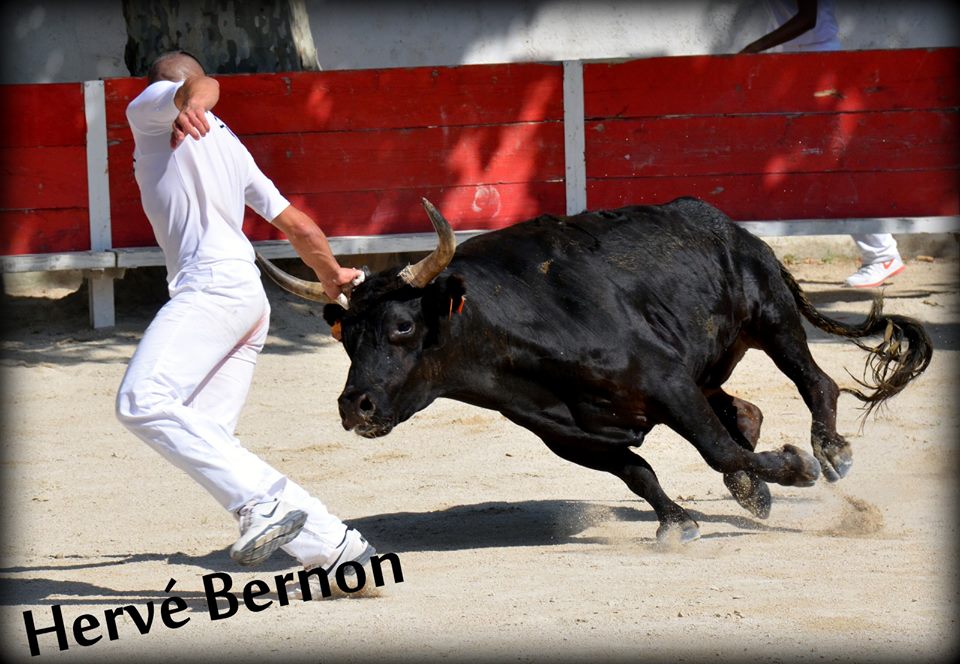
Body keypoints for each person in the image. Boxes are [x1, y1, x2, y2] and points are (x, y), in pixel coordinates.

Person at [115, 50, 375, 580]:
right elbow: (299, 227)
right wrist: (330, 276)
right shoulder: (231, 144)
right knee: (210, 437)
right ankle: (335, 548)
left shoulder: (149, 112)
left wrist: (188, 99)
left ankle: (265, 508)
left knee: (142, 401)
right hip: (249, 302)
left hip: (209, 287)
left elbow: (199, 84)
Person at [740, 0, 906, 288]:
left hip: (818, 63)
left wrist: (754, 48)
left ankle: (883, 254)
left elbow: (808, 18)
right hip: (800, 63)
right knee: (818, 162)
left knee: (832, 162)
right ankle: (882, 253)